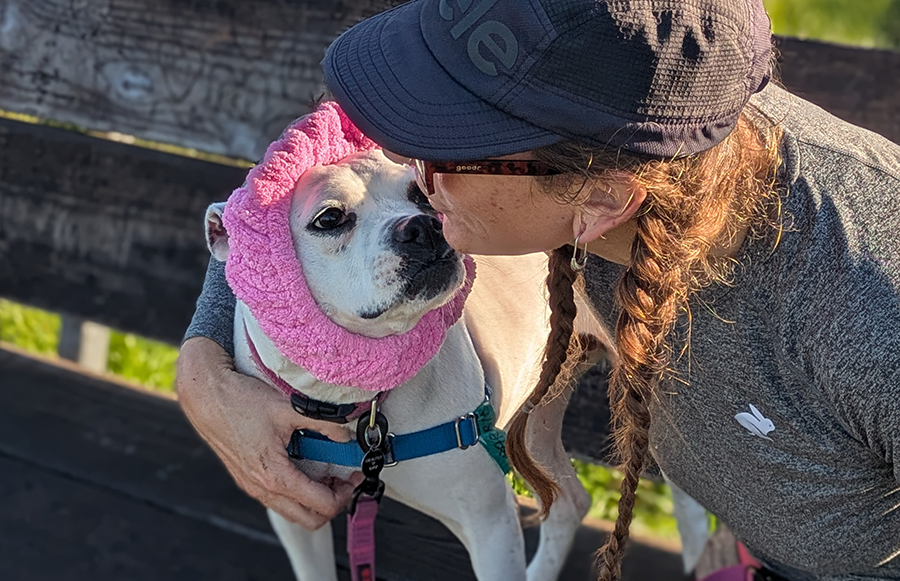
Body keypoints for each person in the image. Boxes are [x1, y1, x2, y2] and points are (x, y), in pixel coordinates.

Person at [176, 0, 900, 579]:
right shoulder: (638, 142)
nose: (406, 167)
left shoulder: (868, 316)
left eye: (445, 142)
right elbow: (274, 223)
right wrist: (204, 364)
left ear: (601, 203)